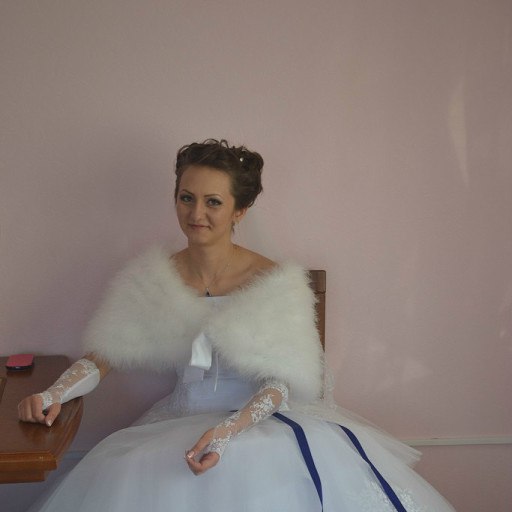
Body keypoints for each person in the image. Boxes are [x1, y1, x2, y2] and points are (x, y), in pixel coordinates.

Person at [18, 139, 454, 511]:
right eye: (186, 197)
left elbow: (283, 382)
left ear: (239, 210)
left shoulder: (274, 281)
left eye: (213, 202)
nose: (196, 213)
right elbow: (104, 355)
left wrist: (230, 430)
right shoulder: (152, 278)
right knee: (138, 470)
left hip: (261, 424)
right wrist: (54, 393)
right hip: (178, 420)